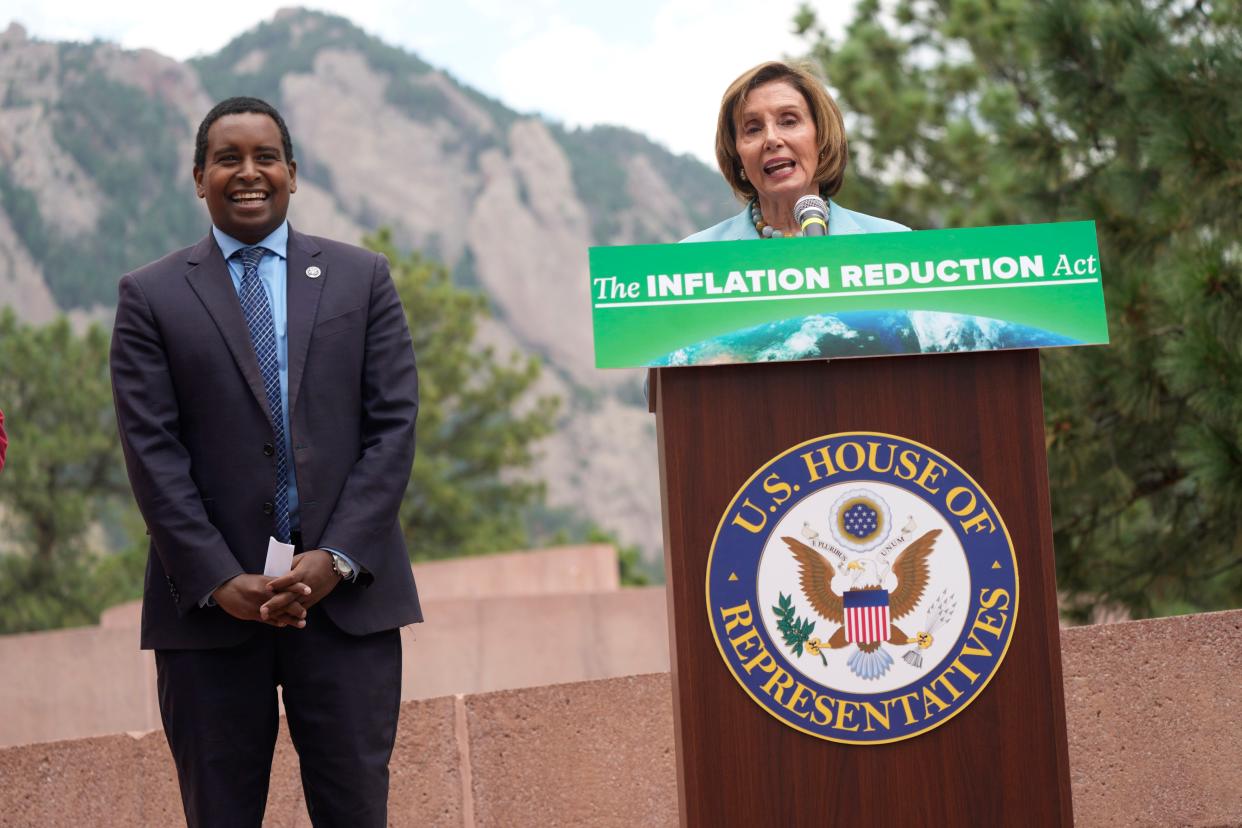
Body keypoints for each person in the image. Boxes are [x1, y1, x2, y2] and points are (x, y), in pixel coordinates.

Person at [109, 96, 421, 827]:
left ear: (292, 173)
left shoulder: (361, 278)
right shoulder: (149, 297)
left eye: (265, 158)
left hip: (346, 608)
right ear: (198, 178)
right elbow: (151, 453)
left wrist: (335, 556)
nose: (248, 174)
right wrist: (220, 578)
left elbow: (393, 427)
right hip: (210, 616)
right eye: (228, 159)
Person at [683, 60, 909, 242]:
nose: (771, 139)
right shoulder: (693, 257)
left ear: (821, 138)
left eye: (789, 121)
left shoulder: (896, 243)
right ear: (737, 155)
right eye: (753, 129)